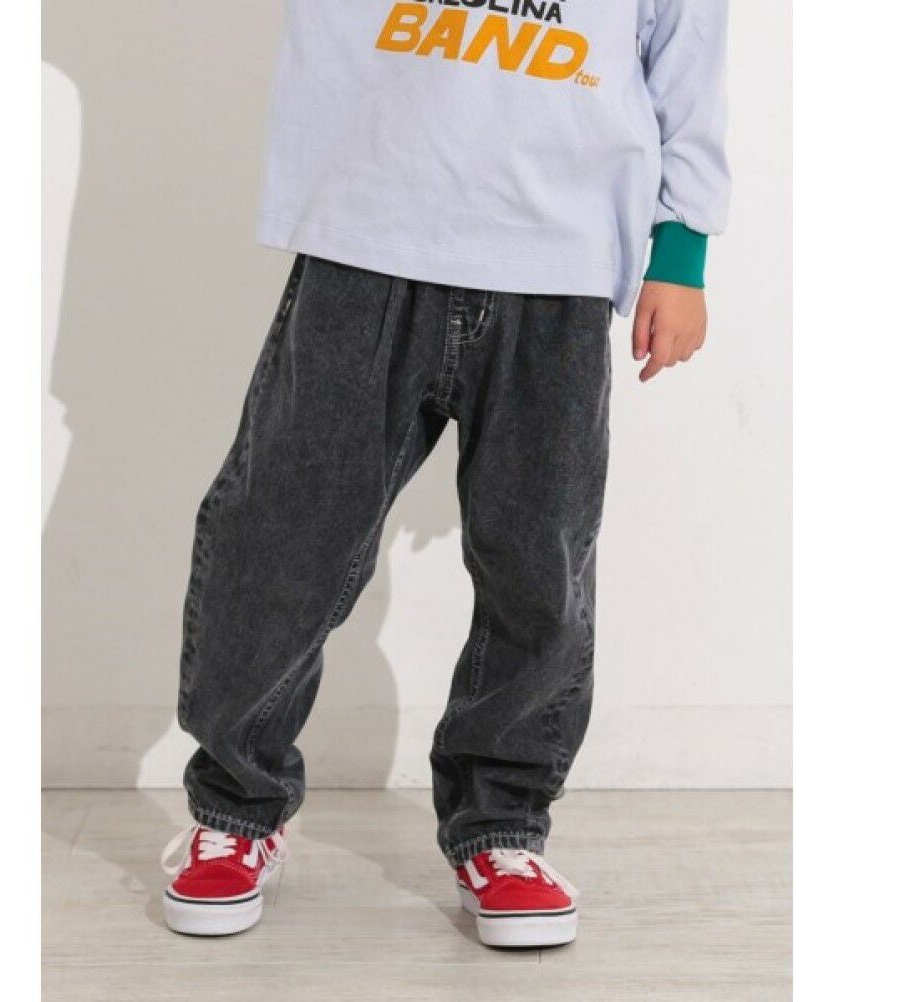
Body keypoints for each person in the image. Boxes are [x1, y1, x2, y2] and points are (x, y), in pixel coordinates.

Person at [161, 0, 730, 948]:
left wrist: (684, 248)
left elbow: (688, 53)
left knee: (537, 564)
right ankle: (233, 807)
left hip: (560, 251)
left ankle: (501, 824)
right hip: (369, 226)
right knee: (282, 536)